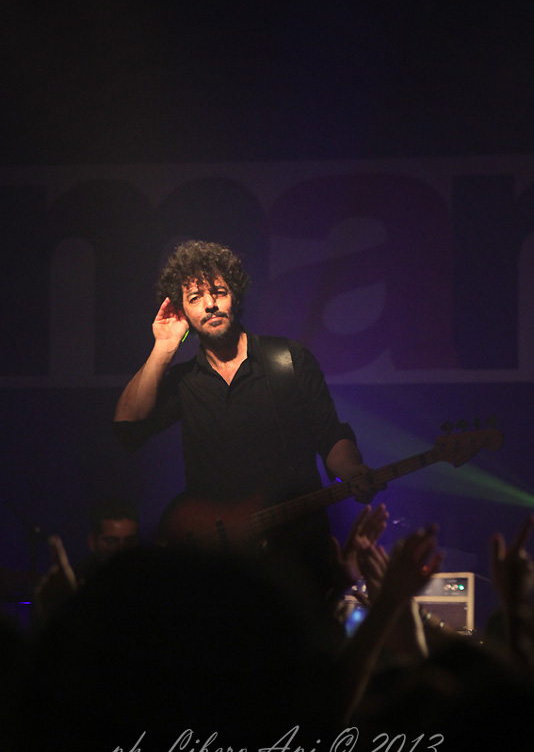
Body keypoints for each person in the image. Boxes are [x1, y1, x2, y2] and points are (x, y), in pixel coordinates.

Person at [113, 239, 376, 593]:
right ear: (183, 312)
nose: (210, 304)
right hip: (225, 563)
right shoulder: (184, 381)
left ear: (234, 296)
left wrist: (352, 470)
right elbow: (127, 428)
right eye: (195, 298)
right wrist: (164, 345)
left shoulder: (290, 360)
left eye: (218, 292)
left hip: (297, 551)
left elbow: (330, 435)